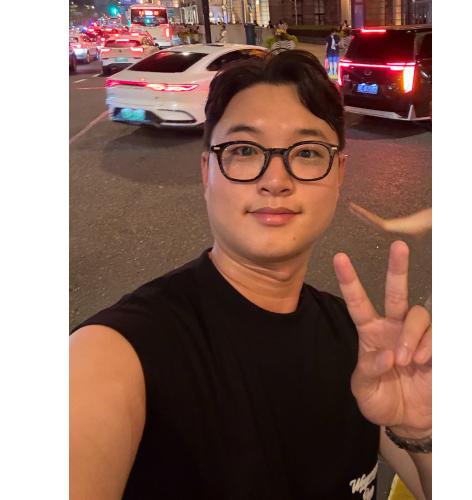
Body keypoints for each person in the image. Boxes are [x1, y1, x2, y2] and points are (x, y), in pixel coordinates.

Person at [70, 51, 431, 500]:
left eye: (306, 152)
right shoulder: (114, 355)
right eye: (243, 150)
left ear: (339, 174)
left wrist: (420, 431)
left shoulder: (358, 343)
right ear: (206, 172)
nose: (275, 180)